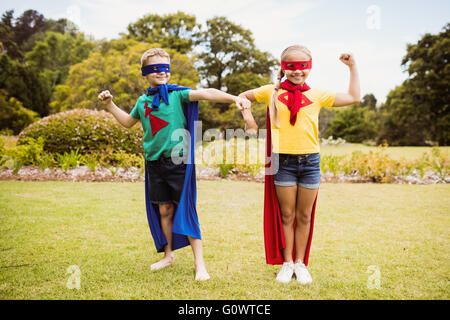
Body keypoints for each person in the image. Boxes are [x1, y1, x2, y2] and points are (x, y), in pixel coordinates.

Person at [98, 48, 251, 281]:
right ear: (145, 73)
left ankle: (200, 264)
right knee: (164, 210)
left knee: (186, 209)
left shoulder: (178, 94)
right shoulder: (143, 101)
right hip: (154, 163)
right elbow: (129, 123)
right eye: (154, 68)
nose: (161, 72)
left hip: (178, 162)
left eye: (165, 68)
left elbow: (206, 93)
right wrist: (110, 105)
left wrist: (234, 98)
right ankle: (168, 256)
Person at [239, 45, 360, 284]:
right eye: (292, 66)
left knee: (304, 216)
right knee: (286, 214)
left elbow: (354, 97)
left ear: (310, 67)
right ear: (283, 67)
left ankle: (300, 264)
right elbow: (242, 97)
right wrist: (249, 120)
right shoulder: (270, 92)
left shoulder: (317, 94)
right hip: (282, 161)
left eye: (303, 66)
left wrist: (352, 67)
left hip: (310, 162)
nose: (297, 71)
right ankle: (286, 264)